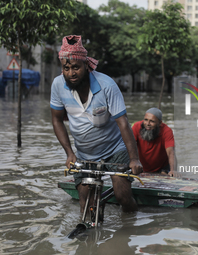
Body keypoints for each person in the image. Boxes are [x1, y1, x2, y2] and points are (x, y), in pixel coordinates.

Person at [50, 35, 142, 213]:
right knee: (86, 204)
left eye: (76, 67)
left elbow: (123, 122)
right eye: (66, 68)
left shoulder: (106, 85)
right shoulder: (57, 85)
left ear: (86, 65)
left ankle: (131, 228)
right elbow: (56, 119)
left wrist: (134, 159)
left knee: (122, 195)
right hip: (85, 153)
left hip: (115, 149)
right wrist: (69, 153)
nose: (71, 73)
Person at [132, 108, 176, 177]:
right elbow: (129, 147)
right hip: (140, 166)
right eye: (146, 120)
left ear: (160, 123)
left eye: (152, 121)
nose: (148, 124)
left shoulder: (167, 131)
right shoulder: (136, 127)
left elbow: (171, 152)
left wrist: (173, 170)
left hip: (161, 168)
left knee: (166, 176)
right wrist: (133, 161)